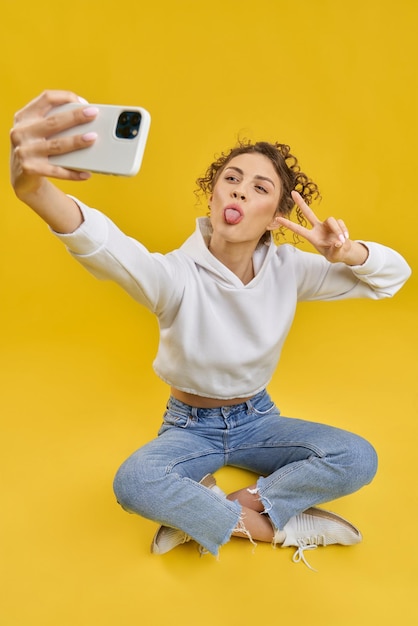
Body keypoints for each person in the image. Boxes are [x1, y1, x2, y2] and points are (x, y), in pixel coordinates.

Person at [10, 90, 411, 569]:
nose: (241, 190)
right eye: (232, 179)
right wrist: (34, 189)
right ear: (214, 194)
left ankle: (202, 510)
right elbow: (104, 244)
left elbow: (392, 278)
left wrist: (350, 254)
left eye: (260, 188)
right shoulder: (173, 275)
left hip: (259, 419)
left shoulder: (290, 268)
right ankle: (273, 528)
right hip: (188, 427)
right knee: (135, 482)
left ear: (276, 216)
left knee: (358, 457)